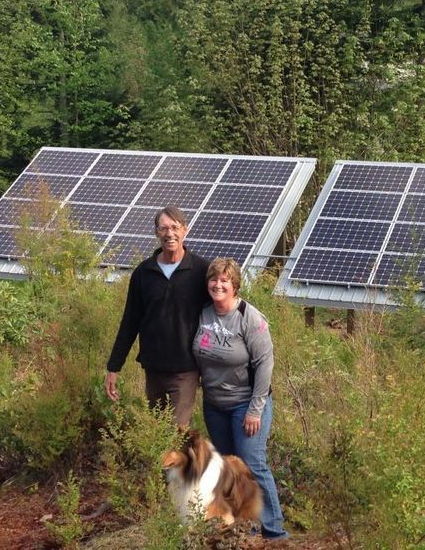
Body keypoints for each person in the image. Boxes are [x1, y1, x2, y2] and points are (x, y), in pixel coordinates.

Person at [192, 258, 288, 540]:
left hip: (246, 405)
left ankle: (274, 530)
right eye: (214, 279)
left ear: (234, 285)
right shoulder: (204, 314)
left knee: (251, 462)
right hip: (215, 405)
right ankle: (246, 526)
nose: (218, 285)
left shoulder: (250, 318)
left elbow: (265, 365)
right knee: (228, 466)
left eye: (225, 281)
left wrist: (255, 410)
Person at [104, 206, 209, 427]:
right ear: (156, 233)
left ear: (185, 230)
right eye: (164, 228)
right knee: (157, 431)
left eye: (175, 227)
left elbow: (221, 315)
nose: (170, 233)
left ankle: (178, 462)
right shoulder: (144, 273)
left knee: (176, 433)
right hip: (153, 369)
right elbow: (130, 322)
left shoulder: (201, 271)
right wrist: (114, 366)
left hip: (186, 370)